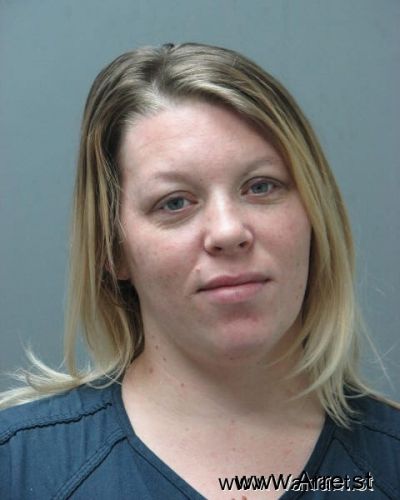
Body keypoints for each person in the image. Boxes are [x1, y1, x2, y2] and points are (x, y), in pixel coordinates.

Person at [0, 42, 399, 500]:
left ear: (315, 215)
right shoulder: (18, 467)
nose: (228, 231)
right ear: (112, 249)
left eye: (261, 186)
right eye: (174, 202)